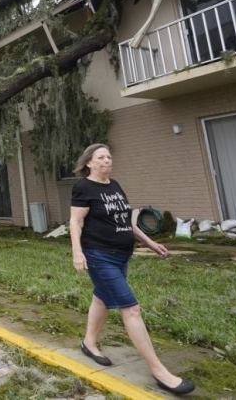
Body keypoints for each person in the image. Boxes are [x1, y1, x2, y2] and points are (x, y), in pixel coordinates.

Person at [69, 143, 195, 396]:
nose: (107, 161)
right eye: (101, 157)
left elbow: (126, 221)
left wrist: (149, 242)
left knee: (102, 298)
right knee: (131, 308)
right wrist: (77, 253)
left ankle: (89, 343)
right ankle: (159, 371)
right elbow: (76, 220)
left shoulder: (114, 185)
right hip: (99, 255)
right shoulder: (83, 187)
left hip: (121, 255)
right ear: (89, 163)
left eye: (109, 157)